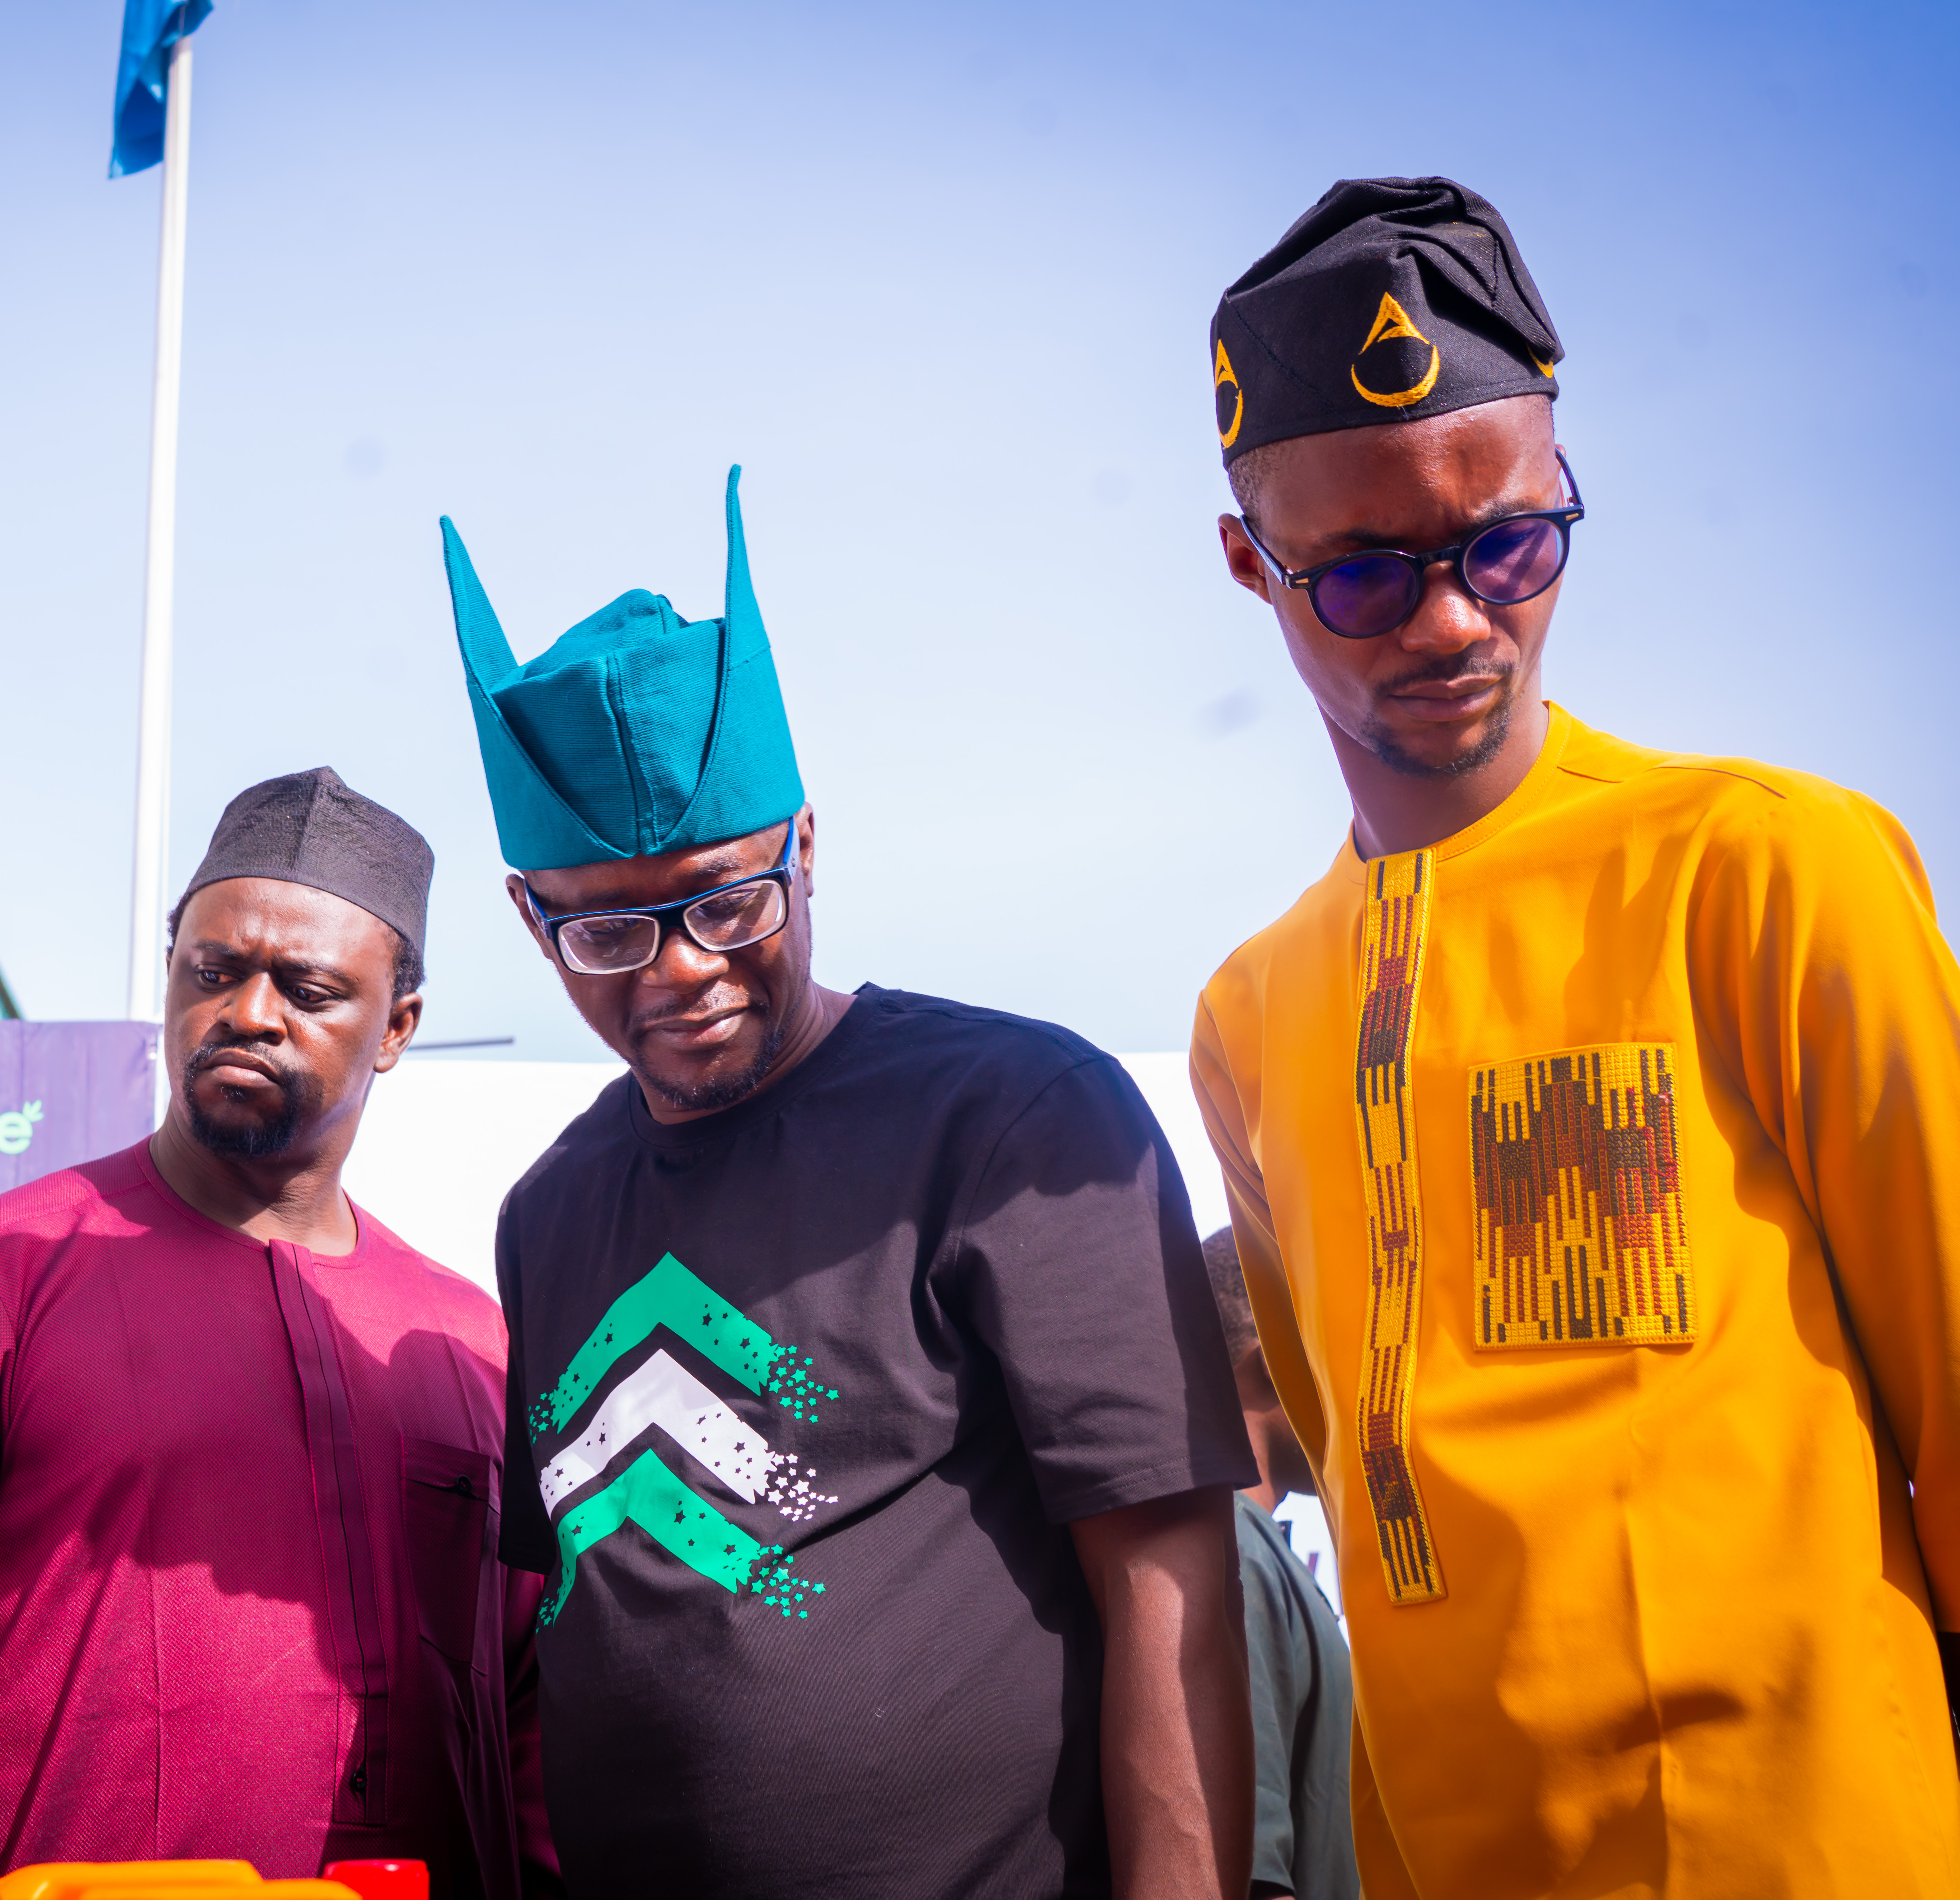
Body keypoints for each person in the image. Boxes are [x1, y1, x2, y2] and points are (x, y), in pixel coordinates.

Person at [1190, 175, 1960, 1897]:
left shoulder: (1765, 871)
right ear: (1252, 564)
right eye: (1367, 576)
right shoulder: (1252, 1015)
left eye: (1510, 546)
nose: (1458, 621)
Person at [444, 469, 1257, 1900]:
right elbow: (571, 1632)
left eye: (726, 899)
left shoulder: (1017, 1121)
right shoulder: (547, 1212)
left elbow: (1167, 1587)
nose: (682, 969)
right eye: (608, 934)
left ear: (804, 844)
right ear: (528, 915)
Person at [0, 769, 557, 1897]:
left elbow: (529, 1716)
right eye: (215, 972)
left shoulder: (468, 1345)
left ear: (395, 1027)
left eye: (307, 987)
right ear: (170, 976)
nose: (249, 1014)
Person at [1202, 1228, 1356, 1900]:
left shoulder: (1250, 1548)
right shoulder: (1234, 1556)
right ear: (1272, 1363)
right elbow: (1253, 1874)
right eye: (1335, 1351)